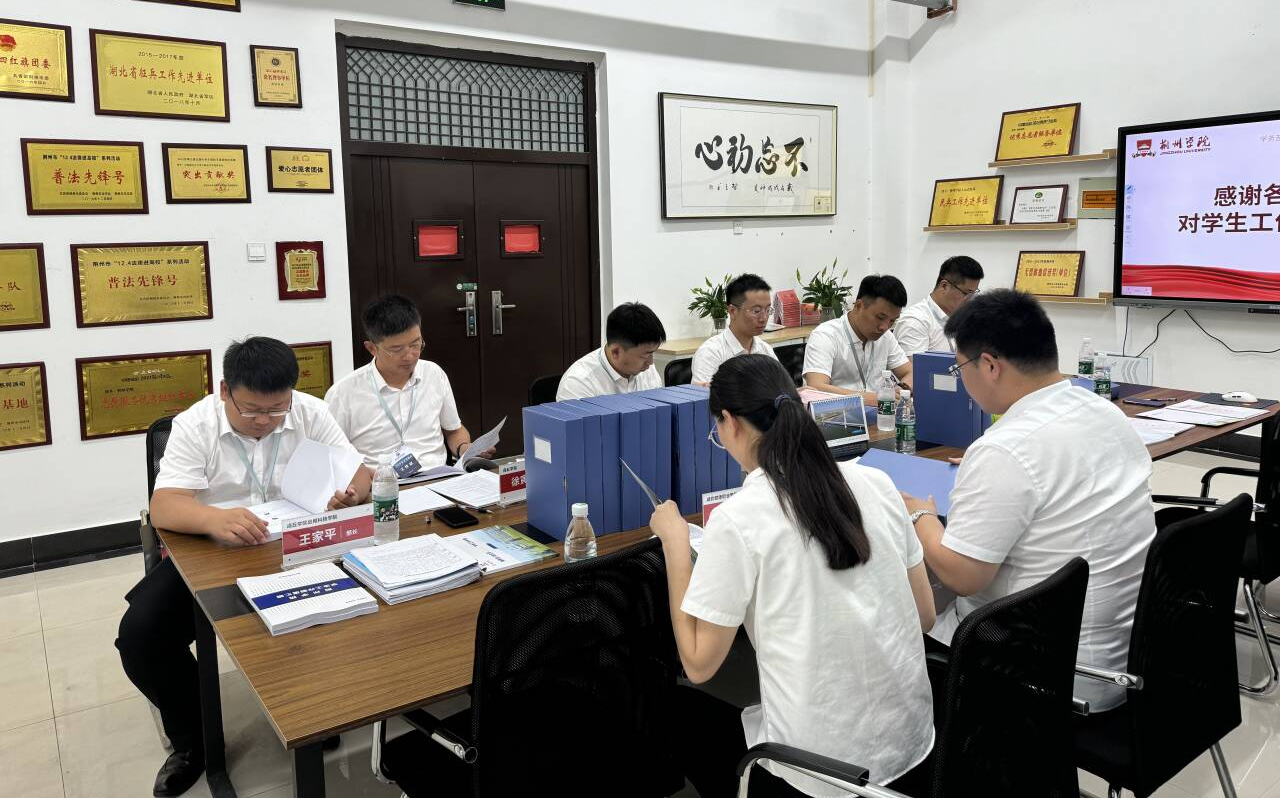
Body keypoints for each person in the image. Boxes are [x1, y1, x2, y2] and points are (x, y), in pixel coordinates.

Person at [650, 355, 936, 797]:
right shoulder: (875, 482)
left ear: (730, 423)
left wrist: (674, 544)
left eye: (716, 429)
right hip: (914, 752)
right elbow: (925, 616)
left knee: (674, 709)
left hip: (820, 775)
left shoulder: (739, 518)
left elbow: (699, 663)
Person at [116, 337, 373, 797]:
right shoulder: (195, 424)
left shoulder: (309, 412)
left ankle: (315, 712)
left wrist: (350, 494)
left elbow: (359, 473)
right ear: (224, 391)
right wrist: (213, 519)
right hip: (215, 551)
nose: (265, 421)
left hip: (295, 545)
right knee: (142, 635)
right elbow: (164, 506)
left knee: (350, 609)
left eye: (276, 410)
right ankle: (194, 742)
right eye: (252, 410)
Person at [900, 290, 1155, 711]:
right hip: (1125, 659)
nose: (962, 380)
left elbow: (964, 577)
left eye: (960, 368)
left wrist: (920, 515)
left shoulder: (1007, 449)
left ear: (989, 365)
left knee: (901, 621)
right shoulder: (1103, 411)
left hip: (1039, 675)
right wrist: (993, 470)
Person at [326, 295, 494, 470]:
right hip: (380, 481)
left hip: (438, 476)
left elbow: (454, 430)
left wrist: (465, 449)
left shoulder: (433, 374)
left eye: (415, 344)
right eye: (396, 349)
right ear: (372, 348)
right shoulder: (343, 393)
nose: (409, 356)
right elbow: (333, 456)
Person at [802, 274, 912, 405]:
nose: (884, 327)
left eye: (892, 321)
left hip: (879, 412)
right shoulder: (826, 335)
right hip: (838, 414)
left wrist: (901, 389)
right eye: (880, 317)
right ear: (859, 305)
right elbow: (816, 388)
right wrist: (871, 399)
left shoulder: (886, 337)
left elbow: (911, 372)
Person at [556, 302, 666, 401]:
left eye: (653, 353)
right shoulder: (578, 384)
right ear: (616, 352)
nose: (651, 362)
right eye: (645, 356)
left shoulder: (647, 371)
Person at [690, 273, 779, 385]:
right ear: (732, 311)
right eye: (756, 311)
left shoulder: (765, 350)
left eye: (768, 310)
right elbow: (703, 395)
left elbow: (780, 388)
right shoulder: (710, 353)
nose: (764, 318)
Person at [895, 255, 984, 357]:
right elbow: (915, 366)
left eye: (973, 294)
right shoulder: (915, 321)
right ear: (944, 286)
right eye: (967, 293)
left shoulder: (962, 318)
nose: (970, 300)